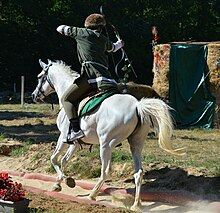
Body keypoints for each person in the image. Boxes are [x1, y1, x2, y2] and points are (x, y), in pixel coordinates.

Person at [56, 13, 124, 143]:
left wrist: (75, 31)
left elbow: (59, 28)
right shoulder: (103, 39)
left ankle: (75, 130)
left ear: (87, 26)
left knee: (66, 99)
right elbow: (114, 48)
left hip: (91, 77)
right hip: (108, 79)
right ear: (101, 28)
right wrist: (120, 44)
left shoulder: (81, 32)